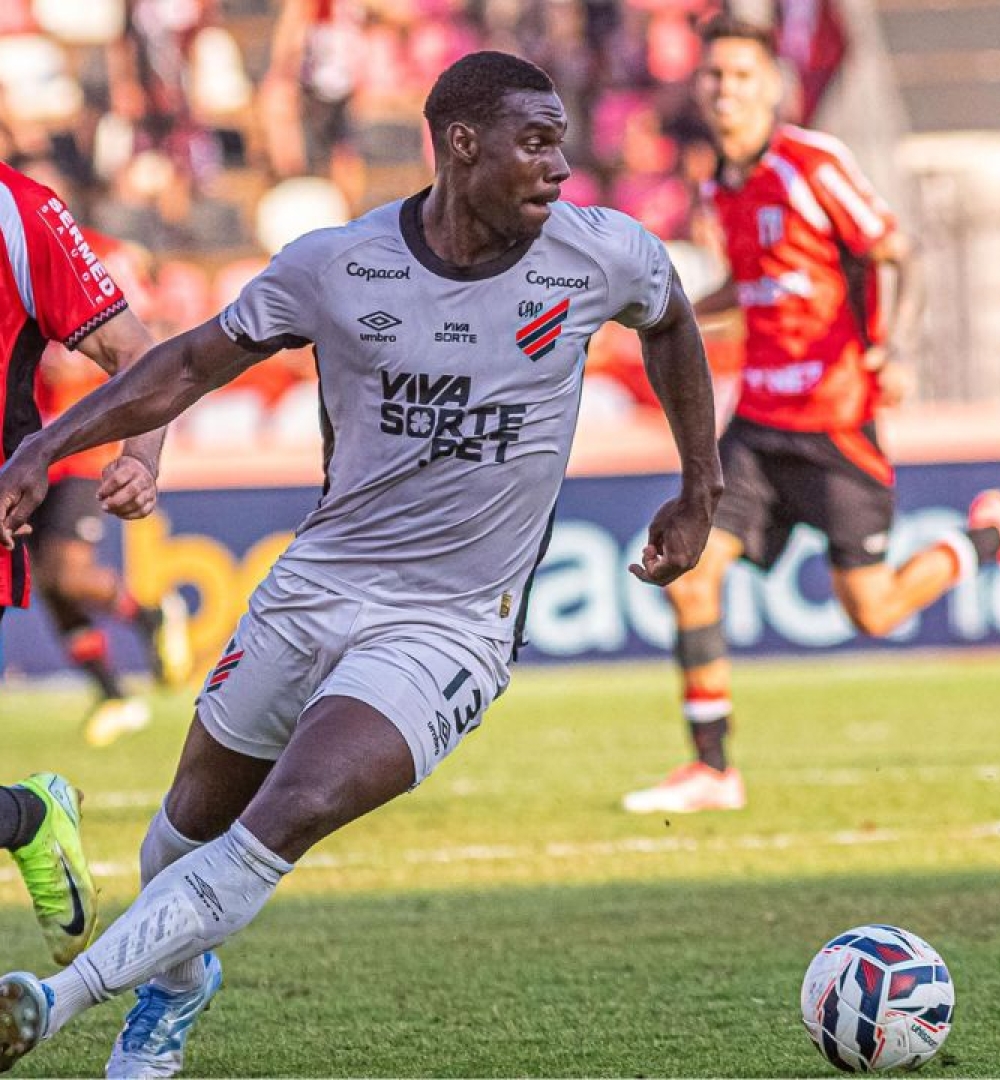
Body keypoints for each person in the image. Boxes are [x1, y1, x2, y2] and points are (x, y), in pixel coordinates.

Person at [0, 51, 723, 1077]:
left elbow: (674, 322)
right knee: (177, 840)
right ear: (461, 145)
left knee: (288, 811)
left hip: (453, 623)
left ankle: (55, 1003)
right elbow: (188, 363)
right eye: (536, 143)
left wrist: (701, 488)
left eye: (562, 143)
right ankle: (179, 981)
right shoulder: (338, 266)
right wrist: (44, 448)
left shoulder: (598, 253)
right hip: (317, 586)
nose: (561, 168)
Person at [621, 14, 1000, 817]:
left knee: (874, 610)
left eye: (741, 75)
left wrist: (892, 348)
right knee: (692, 577)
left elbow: (898, 252)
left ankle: (991, 536)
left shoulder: (813, 163)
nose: (725, 90)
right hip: (757, 424)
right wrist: (660, 312)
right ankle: (713, 769)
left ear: (773, 86)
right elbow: (750, 285)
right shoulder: (720, 183)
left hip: (835, 422)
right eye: (714, 75)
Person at [0, 159, 166, 965]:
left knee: (70, 582)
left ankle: (140, 631)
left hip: (35, 480)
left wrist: (140, 456)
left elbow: (138, 353)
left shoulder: (22, 213)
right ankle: (24, 817)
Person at [30, 224, 192, 748]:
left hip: (82, 440)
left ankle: (146, 613)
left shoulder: (98, 253)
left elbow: (143, 337)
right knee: (46, 581)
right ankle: (112, 694)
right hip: (31, 441)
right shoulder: (26, 248)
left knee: (67, 573)